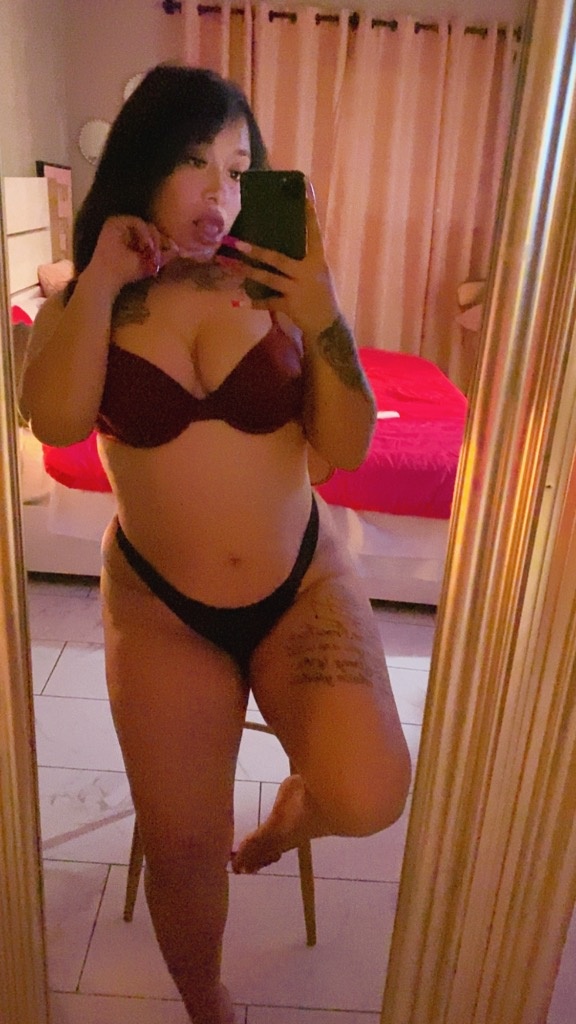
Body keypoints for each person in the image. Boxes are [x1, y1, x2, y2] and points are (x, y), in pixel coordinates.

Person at [21, 64, 411, 1024]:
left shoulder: (278, 287)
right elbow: (55, 421)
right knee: (185, 849)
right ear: (144, 162)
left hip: (299, 585)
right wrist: (101, 276)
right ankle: (206, 999)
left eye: (237, 170)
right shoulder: (88, 292)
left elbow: (349, 446)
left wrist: (324, 315)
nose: (220, 192)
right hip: (162, 608)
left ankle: (285, 822)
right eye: (194, 160)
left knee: (370, 795)